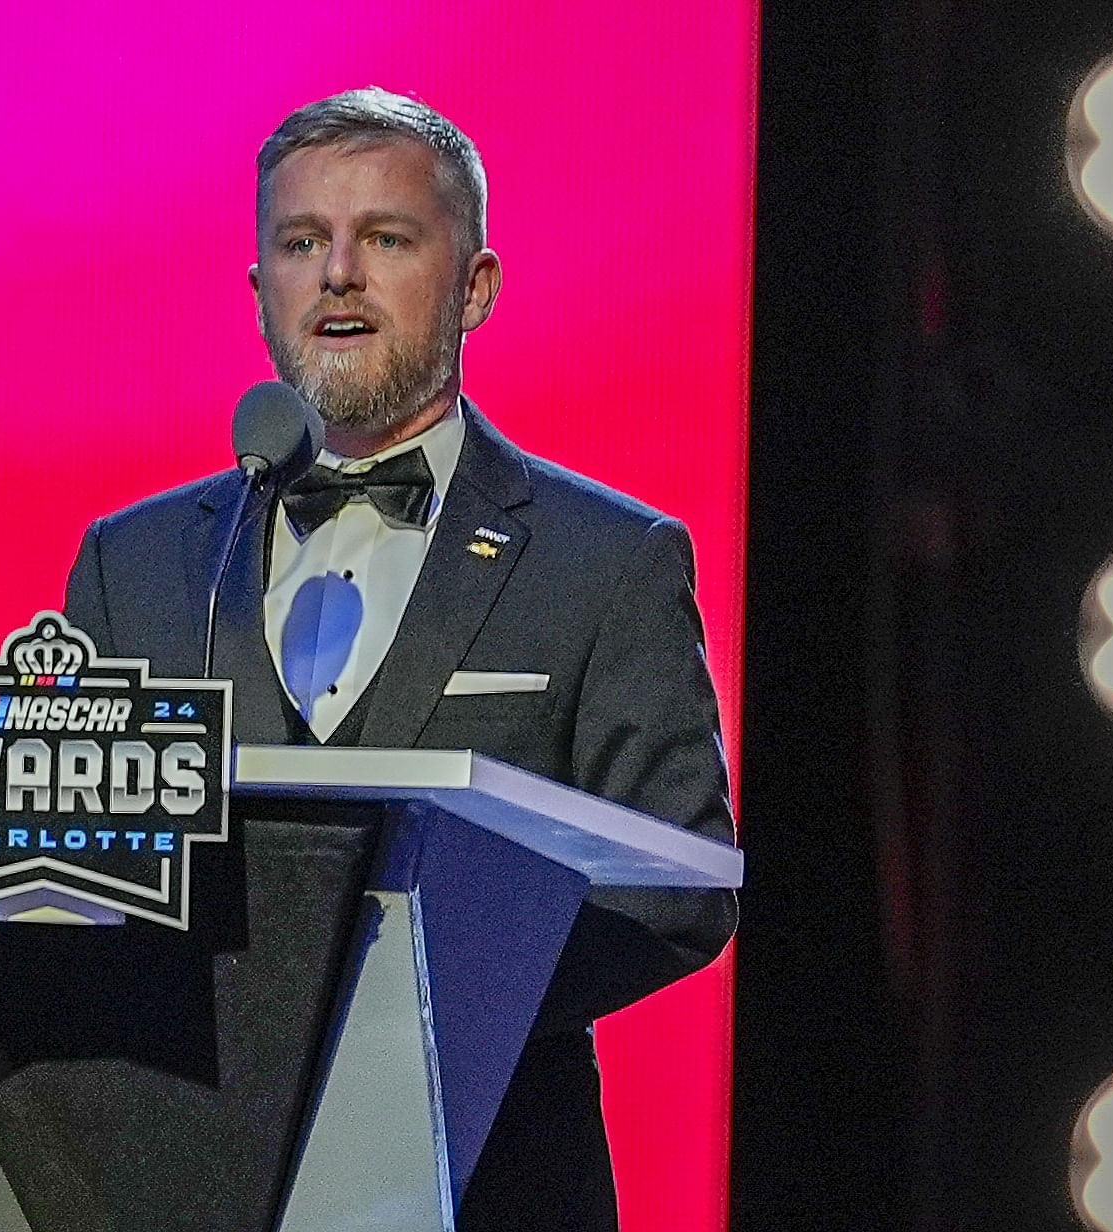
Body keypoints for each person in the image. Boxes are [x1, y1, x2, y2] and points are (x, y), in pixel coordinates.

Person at [64, 87, 737, 1232]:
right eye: (299, 242)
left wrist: (413, 1012)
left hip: (492, 1183)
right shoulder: (133, 562)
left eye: (384, 237)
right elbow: (80, 855)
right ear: (258, 294)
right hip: (192, 1187)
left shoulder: (604, 560)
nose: (336, 273)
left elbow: (677, 879)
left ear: (473, 286)